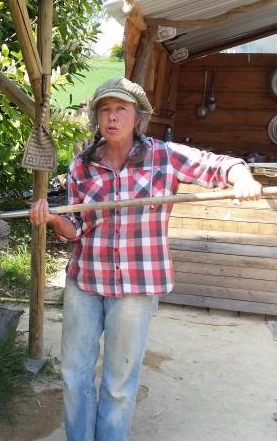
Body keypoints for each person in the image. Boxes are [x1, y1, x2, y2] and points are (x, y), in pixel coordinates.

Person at [29, 77, 262, 441]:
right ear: (96, 118)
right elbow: (75, 227)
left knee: (119, 382)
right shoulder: (82, 166)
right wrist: (55, 219)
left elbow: (221, 165)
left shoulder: (165, 156)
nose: (112, 117)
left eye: (121, 109)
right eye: (105, 109)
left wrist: (242, 177)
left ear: (137, 117)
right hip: (86, 281)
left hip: (137, 285)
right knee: (75, 375)